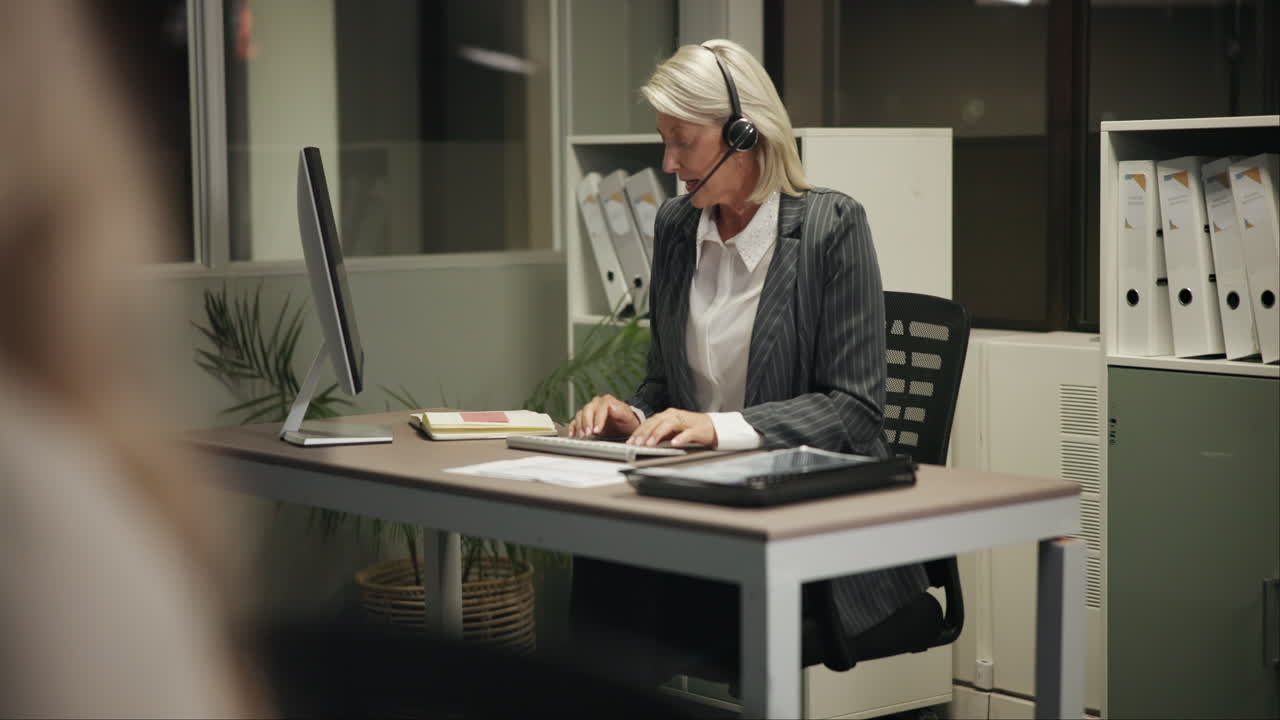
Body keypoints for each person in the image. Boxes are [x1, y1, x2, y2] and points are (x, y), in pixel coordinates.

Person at [567, 39, 930, 682]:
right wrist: (634, 412)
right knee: (602, 550)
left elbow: (854, 410)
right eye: (664, 140)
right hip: (705, 504)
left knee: (635, 597)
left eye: (683, 142)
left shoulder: (832, 226)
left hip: (809, 522)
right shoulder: (678, 227)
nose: (669, 162)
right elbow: (665, 380)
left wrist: (720, 428)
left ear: (743, 131)